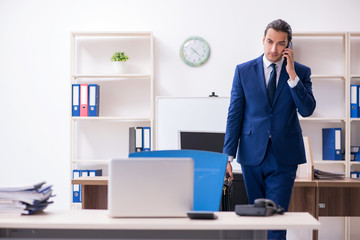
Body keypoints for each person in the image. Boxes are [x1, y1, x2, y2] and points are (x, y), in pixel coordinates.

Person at [223, 19, 316, 240]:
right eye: (269, 42)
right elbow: (234, 114)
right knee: (257, 219)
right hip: (251, 154)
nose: (274, 49)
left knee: (275, 219)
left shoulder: (301, 72)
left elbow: (307, 110)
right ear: (263, 40)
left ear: (289, 45)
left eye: (280, 44)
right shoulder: (243, 71)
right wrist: (227, 156)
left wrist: (292, 75)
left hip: (284, 156)